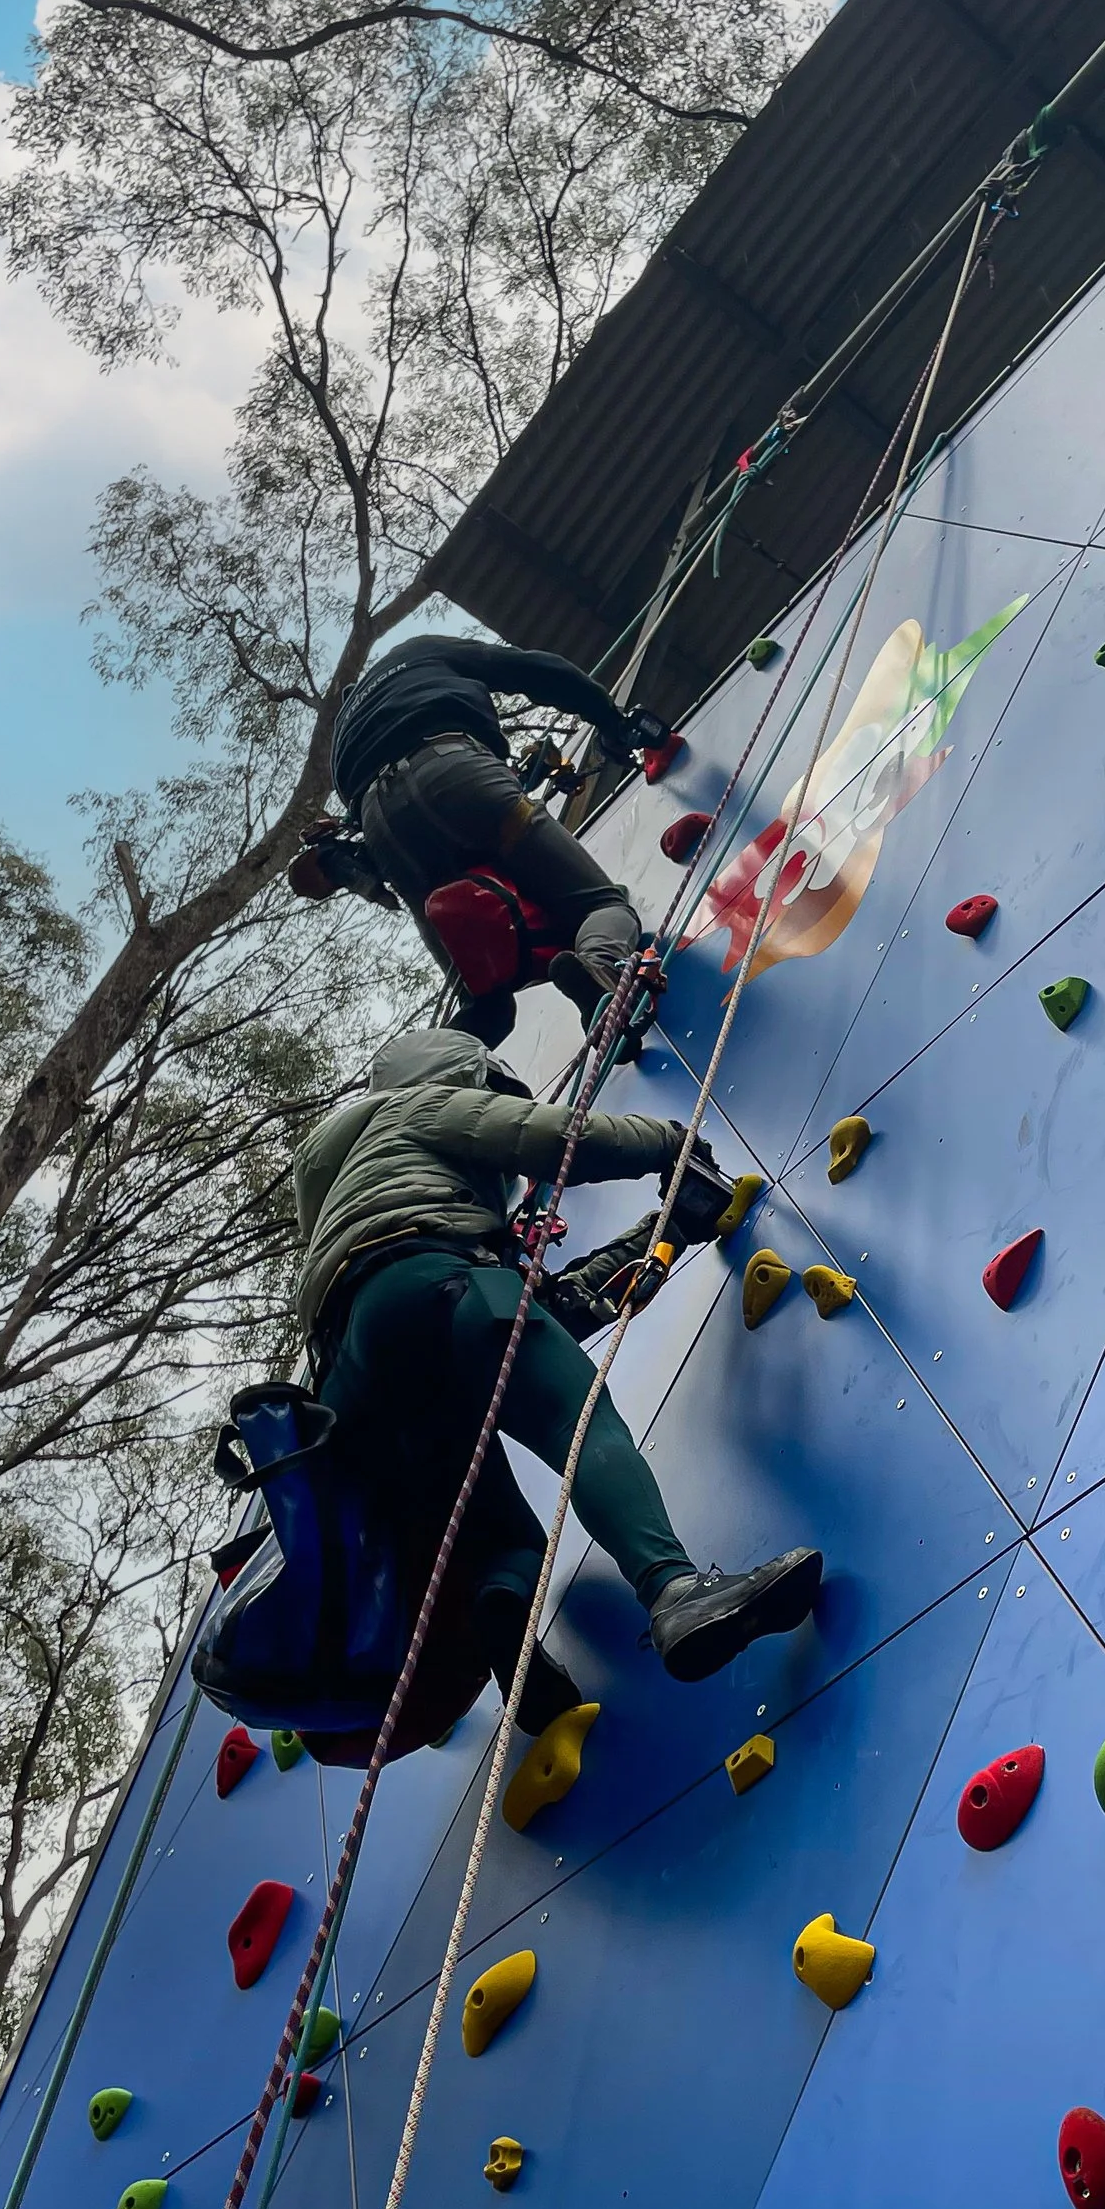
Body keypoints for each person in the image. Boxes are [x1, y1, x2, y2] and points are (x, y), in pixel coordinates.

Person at [293, 1027, 820, 1718]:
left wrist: (661, 1234)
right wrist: (668, 1143)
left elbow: (541, 1314)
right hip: (430, 1283)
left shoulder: (349, 1202)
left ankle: (516, 1659)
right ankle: (673, 1590)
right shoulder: (411, 1110)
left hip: (348, 1381)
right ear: (460, 1074)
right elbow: (558, 1137)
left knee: (500, 1533)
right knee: (578, 1418)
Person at [292, 631, 679, 1041]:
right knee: (601, 905)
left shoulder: (342, 748)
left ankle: (445, 1071)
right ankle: (600, 972)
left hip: (383, 825)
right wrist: (610, 719)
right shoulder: (414, 653)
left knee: (484, 1001)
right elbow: (531, 669)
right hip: (455, 770)